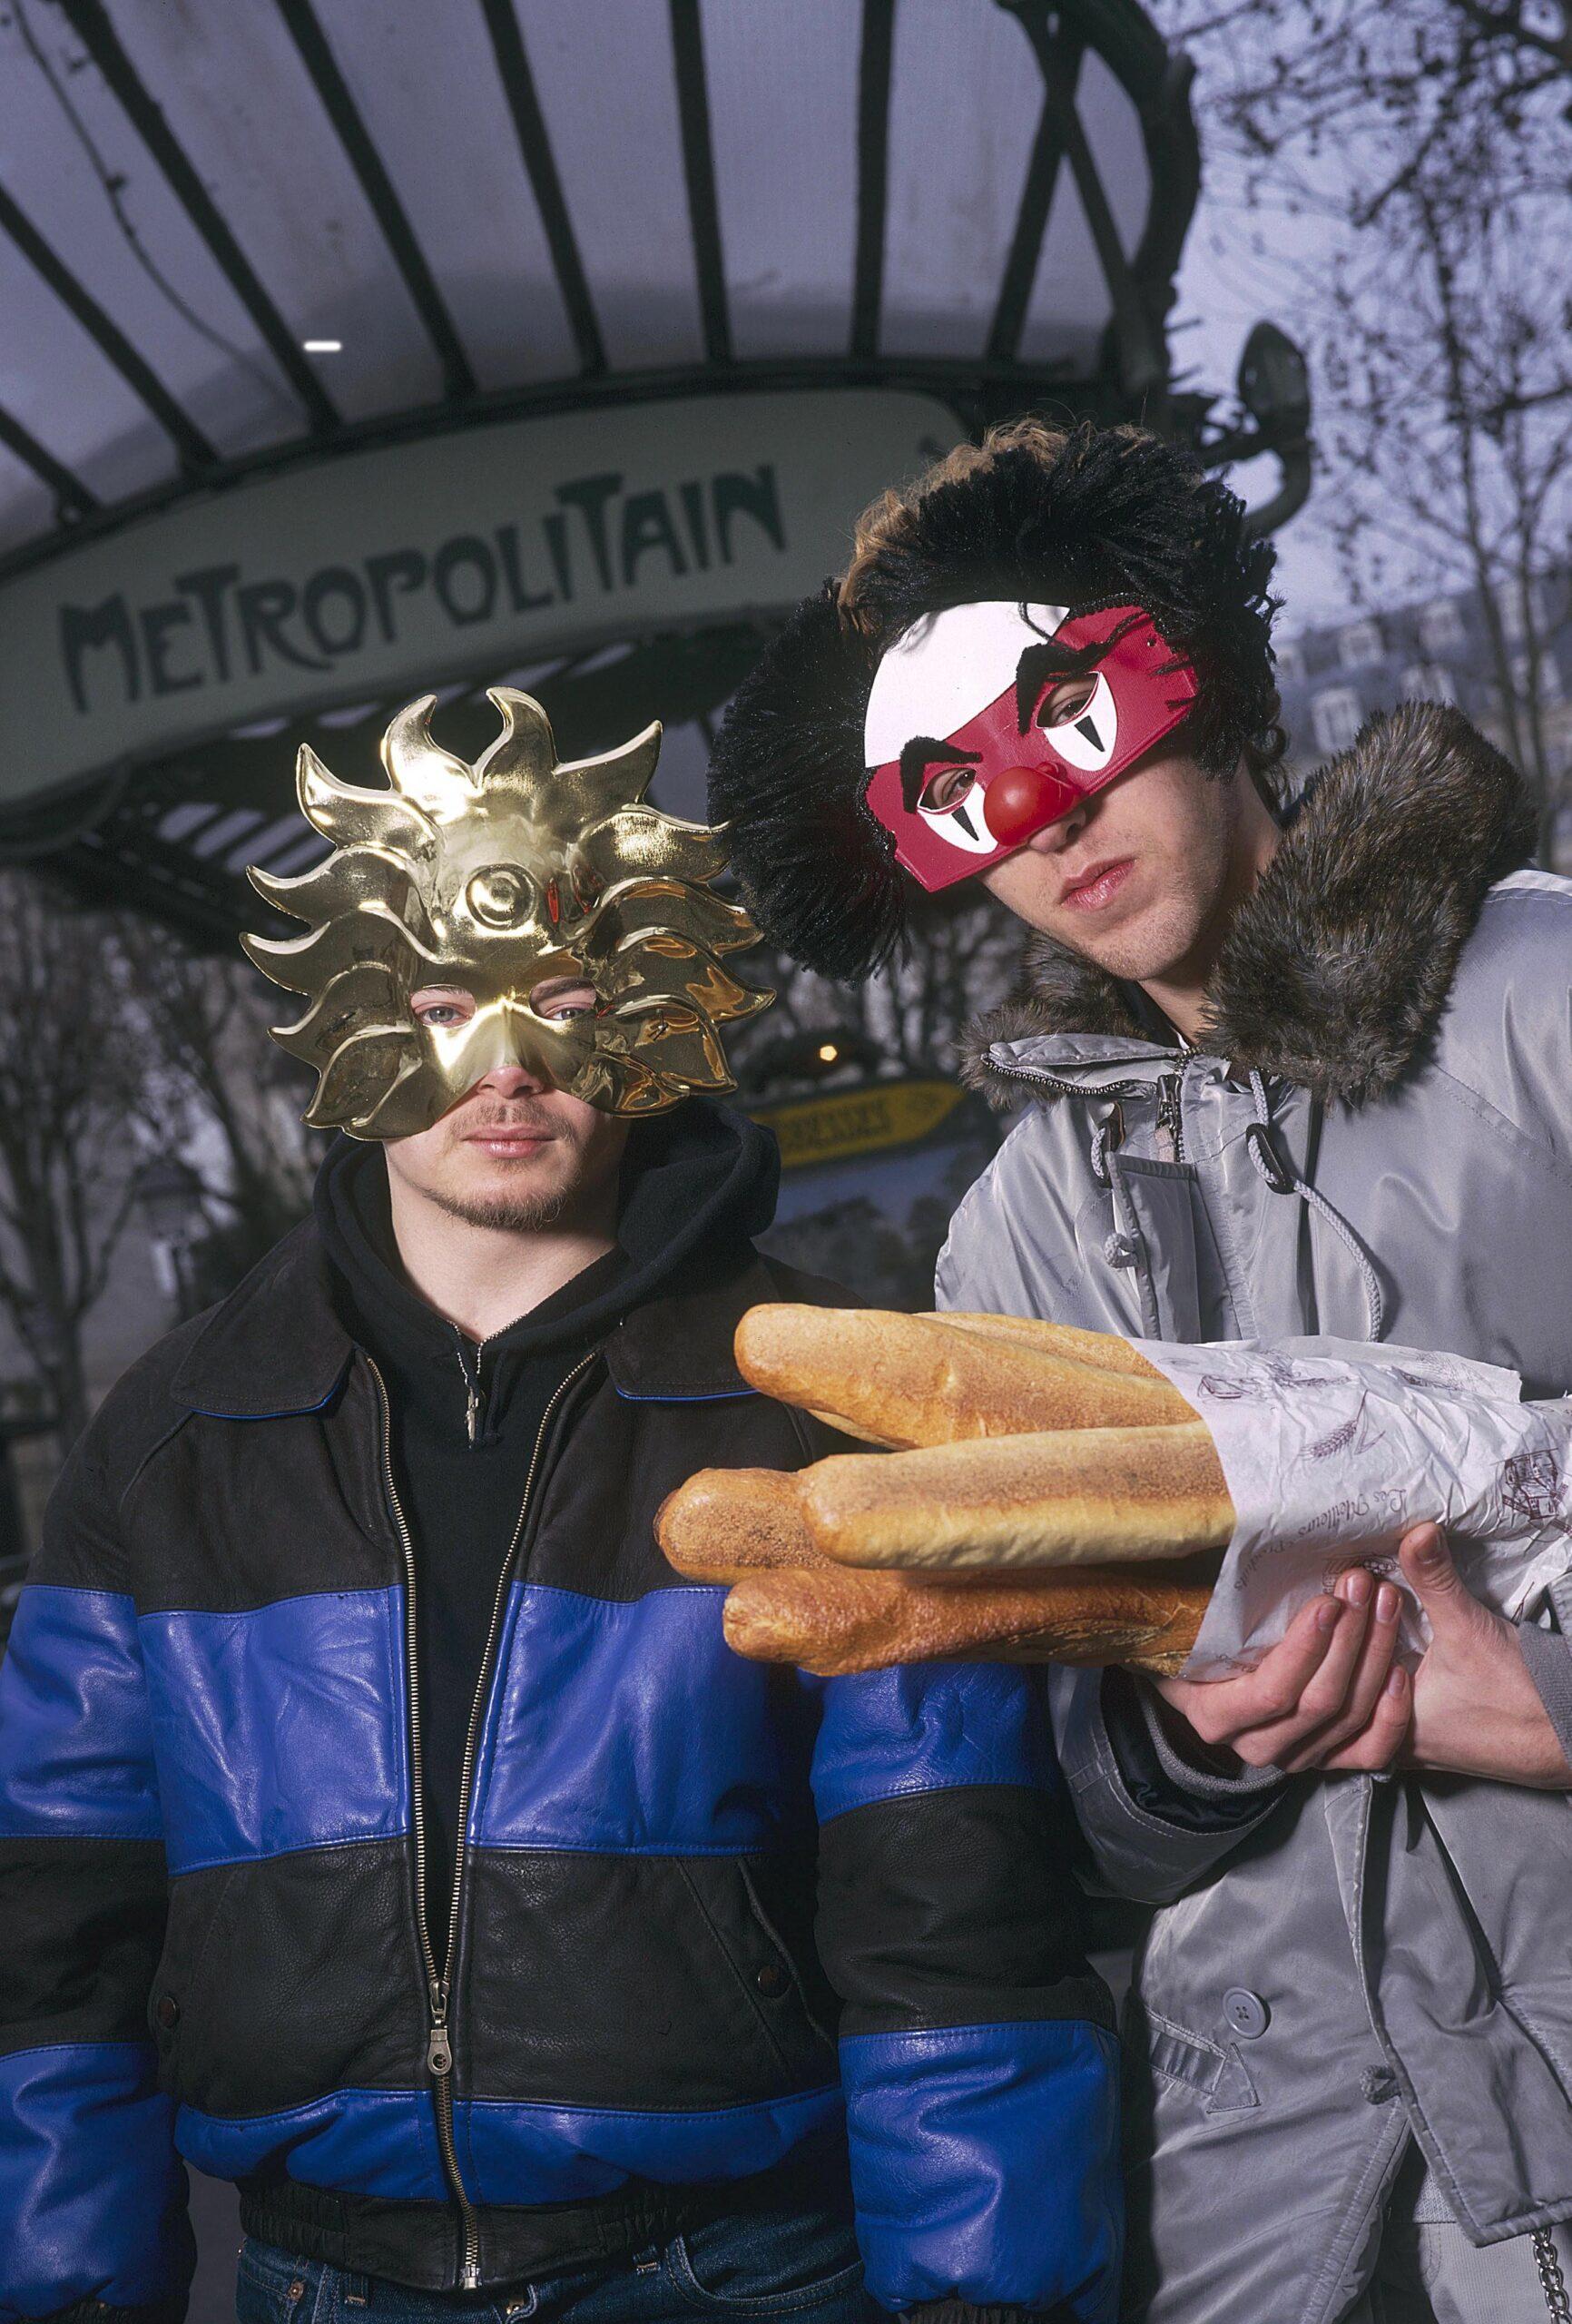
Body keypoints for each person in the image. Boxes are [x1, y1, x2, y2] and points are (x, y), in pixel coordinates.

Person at [0, 690, 1121, 2324]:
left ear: (648, 1008)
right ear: (350, 1012)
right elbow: (53, 1935)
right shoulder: (175, 1440)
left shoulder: (823, 1405)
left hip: (741, 2271)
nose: (507, 1067)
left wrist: (986, 2301)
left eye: (567, 999)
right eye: (442, 1000)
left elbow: (956, 1905)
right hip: (320, 2280)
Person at [708, 419, 1572, 2324]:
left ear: (1206, 679)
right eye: (959, 794)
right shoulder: (1014, 1242)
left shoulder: (1541, 1007)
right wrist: (1178, 1752)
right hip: (1255, 2189)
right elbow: (1043, 1799)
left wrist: (1549, 1699)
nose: (1040, 820)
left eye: (1064, 719)